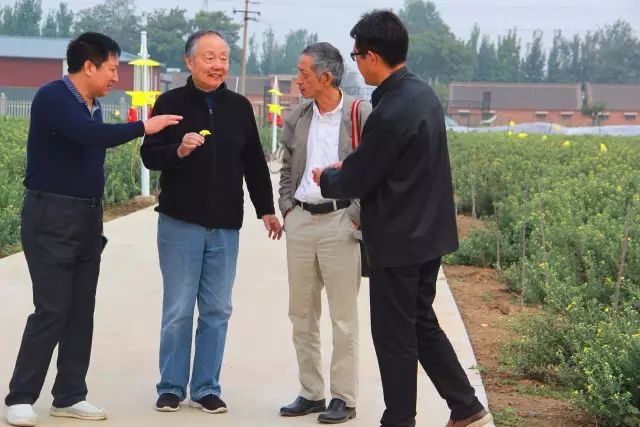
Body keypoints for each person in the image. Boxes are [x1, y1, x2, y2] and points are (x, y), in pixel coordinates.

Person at [313, 11, 493, 427]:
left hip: (399, 239)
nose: (356, 63)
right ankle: (466, 406)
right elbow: (392, 164)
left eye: (357, 55)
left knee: (394, 335)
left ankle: (398, 420)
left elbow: (360, 177)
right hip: (427, 234)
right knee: (420, 322)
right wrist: (354, 167)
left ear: (373, 56)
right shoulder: (421, 94)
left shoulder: (391, 109)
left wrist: (328, 177)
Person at [4, 32, 182, 427]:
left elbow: (91, 139)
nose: (116, 77)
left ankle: (69, 395)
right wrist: (143, 127)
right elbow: (88, 137)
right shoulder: (53, 97)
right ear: (89, 66)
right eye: (112, 69)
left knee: (81, 310)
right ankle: (20, 396)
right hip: (51, 217)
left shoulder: (93, 106)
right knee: (52, 309)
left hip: (87, 217)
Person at [140, 30, 282, 415]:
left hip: (225, 226)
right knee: (178, 310)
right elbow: (150, 156)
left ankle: (206, 387)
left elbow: (254, 163)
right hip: (179, 223)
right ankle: (171, 386)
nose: (218, 65)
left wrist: (266, 209)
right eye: (209, 57)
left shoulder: (240, 107)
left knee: (217, 310)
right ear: (189, 61)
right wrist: (179, 150)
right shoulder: (170, 103)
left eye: (223, 58)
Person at [277, 42, 371, 424]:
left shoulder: (359, 114)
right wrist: (287, 208)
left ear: (326, 77)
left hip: (341, 222)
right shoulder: (297, 116)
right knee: (301, 313)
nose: (297, 80)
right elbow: (287, 167)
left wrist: (357, 214)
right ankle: (311, 392)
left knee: (343, 317)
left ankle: (344, 398)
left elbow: (375, 168)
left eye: (303, 74)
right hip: (301, 220)